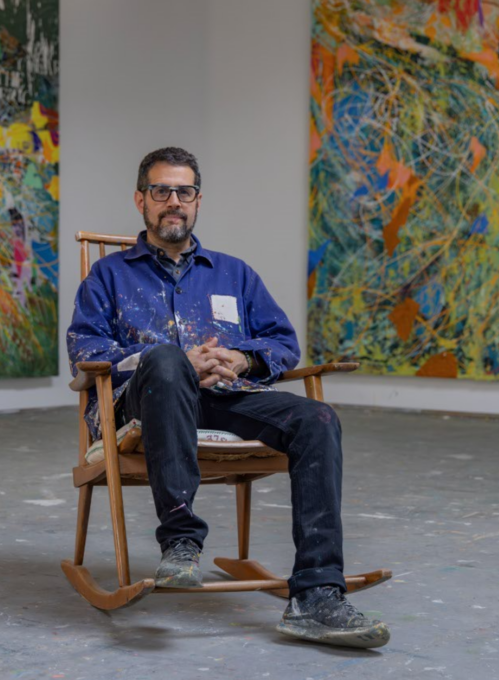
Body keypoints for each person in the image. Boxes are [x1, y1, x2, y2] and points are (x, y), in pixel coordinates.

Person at [66, 147, 389, 649]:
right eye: (161, 191)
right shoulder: (109, 276)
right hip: (147, 403)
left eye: (185, 191)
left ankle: (316, 593)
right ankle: (181, 541)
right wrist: (175, 361)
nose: (174, 201)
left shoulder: (234, 274)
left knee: (318, 418)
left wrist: (241, 359)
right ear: (141, 200)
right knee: (167, 361)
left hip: (225, 398)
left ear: (198, 200)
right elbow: (86, 351)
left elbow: (282, 342)